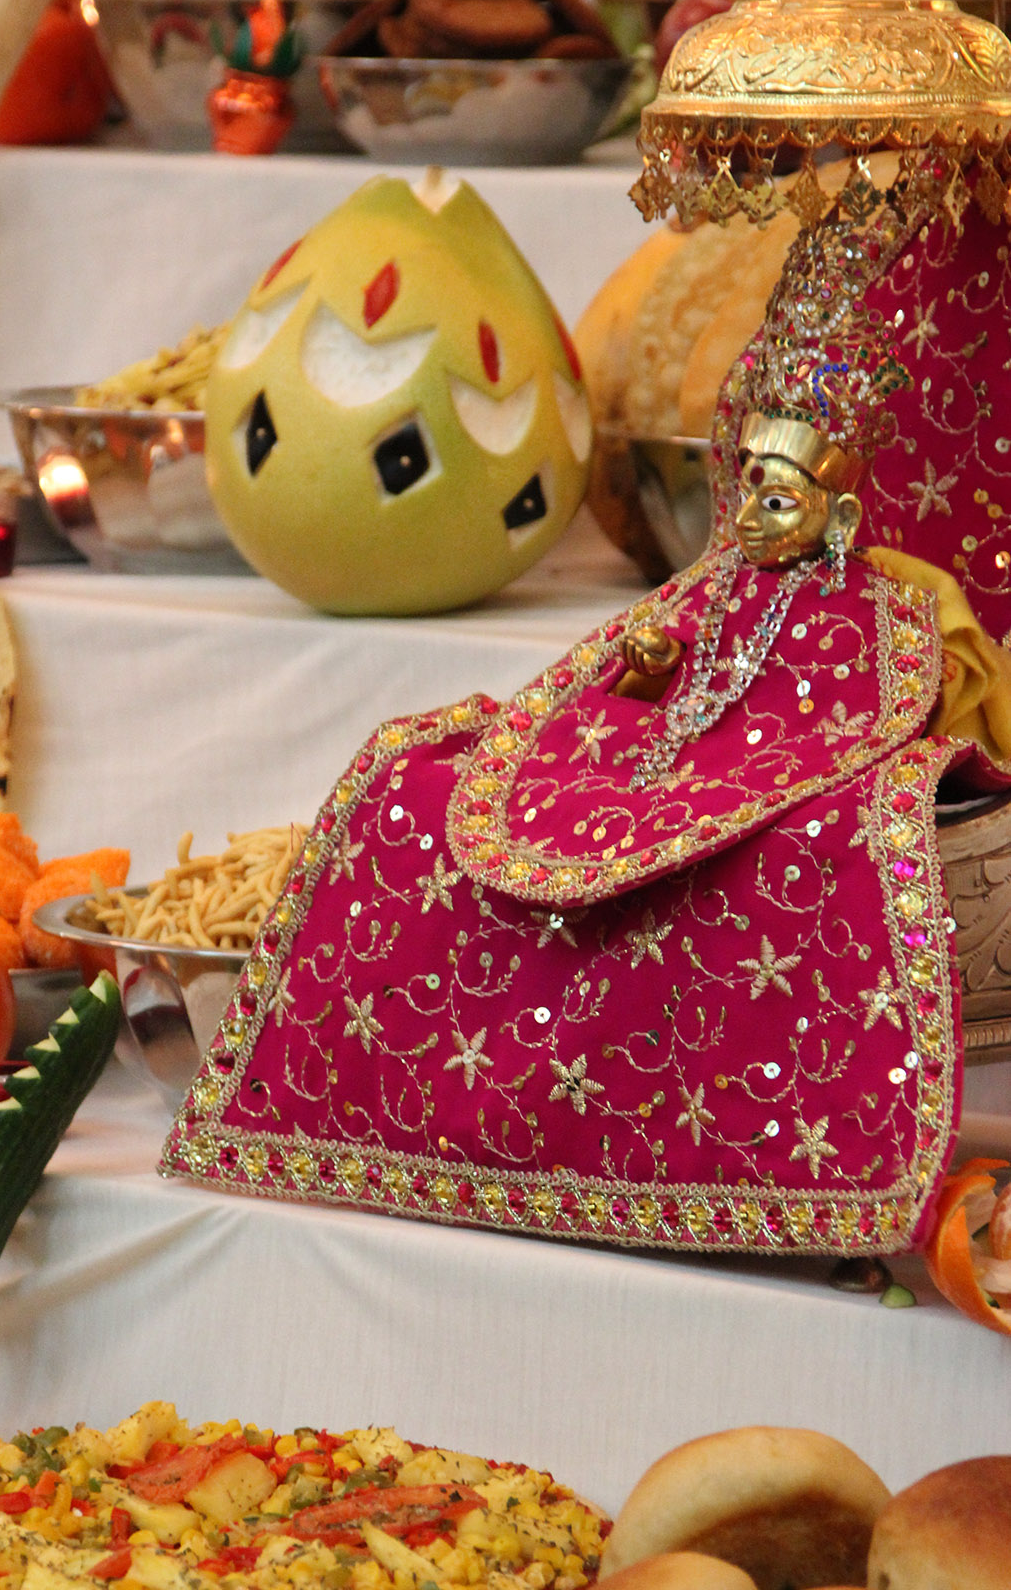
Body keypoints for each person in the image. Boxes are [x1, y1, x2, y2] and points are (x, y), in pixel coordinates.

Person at [162, 193, 1011, 1259]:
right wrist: (645, 674)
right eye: (748, 493)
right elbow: (640, 656)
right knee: (411, 772)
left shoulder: (874, 609)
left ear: (836, 517)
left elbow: (846, 710)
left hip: (771, 768)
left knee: (839, 839)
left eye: (782, 503)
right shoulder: (722, 575)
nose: (753, 518)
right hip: (640, 756)